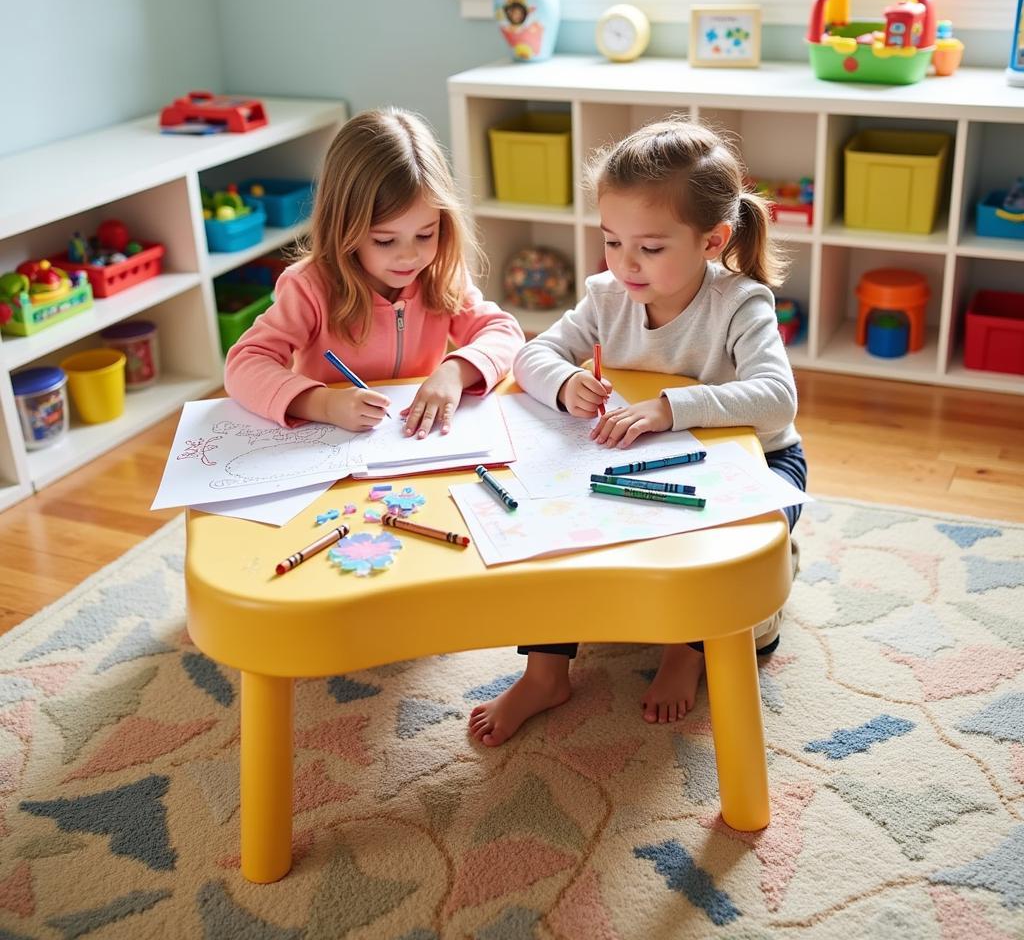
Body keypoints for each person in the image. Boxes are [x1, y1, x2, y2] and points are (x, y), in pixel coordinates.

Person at [468, 117, 806, 747]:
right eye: (611, 241)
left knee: (729, 575)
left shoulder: (741, 303)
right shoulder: (607, 294)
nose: (625, 263)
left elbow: (777, 400)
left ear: (712, 241)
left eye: (650, 248)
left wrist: (669, 409)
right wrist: (565, 384)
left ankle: (687, 650)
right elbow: (531, 355)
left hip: (756, 462)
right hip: (646, 462)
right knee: (549, 527)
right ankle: (545, 672)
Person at [225, 108, 524, 434]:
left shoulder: (439, 274)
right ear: (344, 229)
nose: (410, 256)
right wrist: (322, 404)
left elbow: (504, 333)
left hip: (411, 441)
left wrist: (455, 371)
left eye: (426, 234)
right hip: (330, 442)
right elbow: (244, 364)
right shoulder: (309, 287)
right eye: (385, 240)